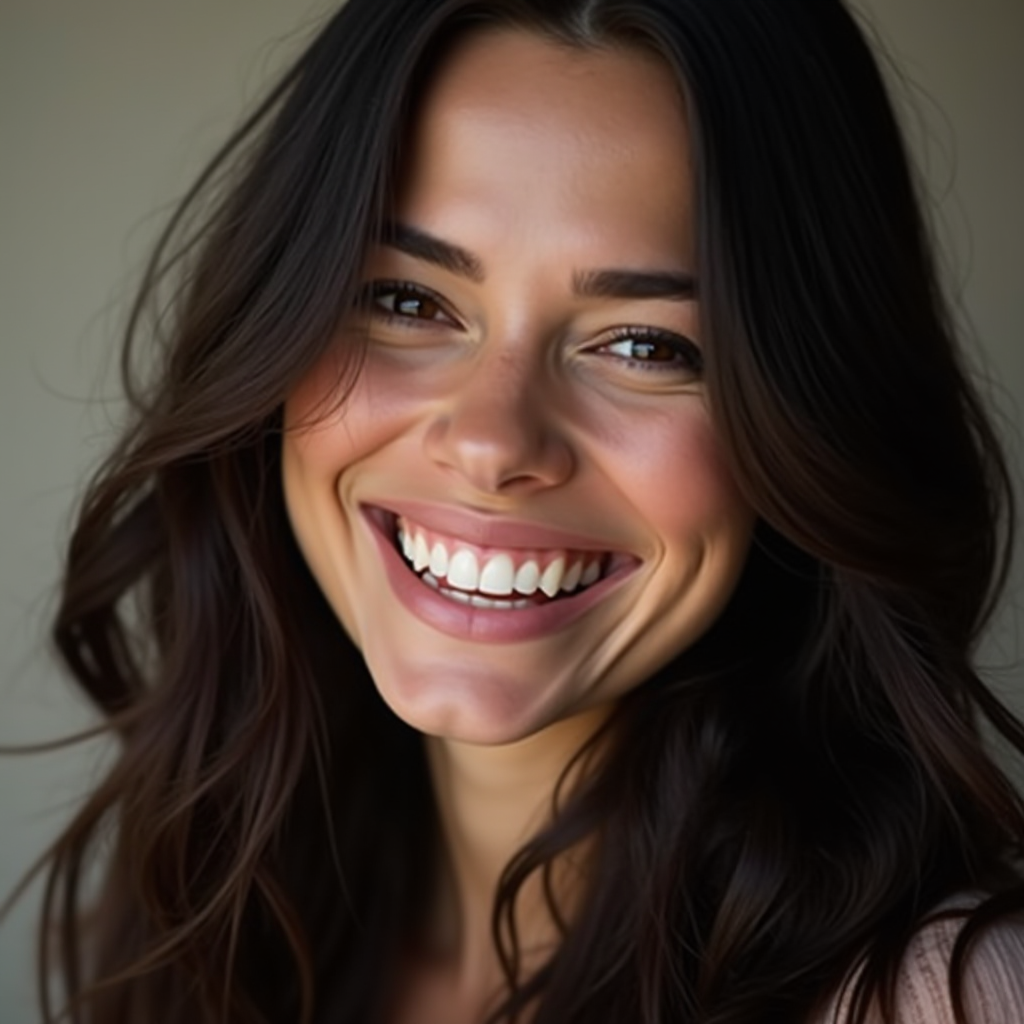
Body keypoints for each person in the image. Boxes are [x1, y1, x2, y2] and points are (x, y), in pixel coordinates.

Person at [22, 0, 1024, 1021]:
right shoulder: (215, 912)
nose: (493, 441)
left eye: (643, 345)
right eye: (409, 302)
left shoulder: (926, 996)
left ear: (811, 415)